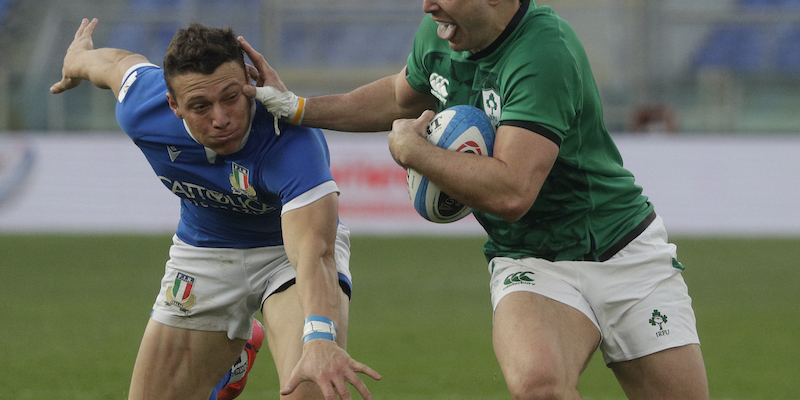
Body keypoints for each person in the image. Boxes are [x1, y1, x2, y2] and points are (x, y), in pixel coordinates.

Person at [242, 0, 710, 399]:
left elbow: (511, 192)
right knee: (538, 385)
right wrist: (299, 107)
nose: (427, 6)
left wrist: (414, 151)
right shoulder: (442, 33)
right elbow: (399, 96)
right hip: (528, 256)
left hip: (622, 250)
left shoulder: (544, 51)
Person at [50, 18, 381, 400]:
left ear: (250, 84)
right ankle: (233, 359)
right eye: (200, 106)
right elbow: (114, 63)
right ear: (172, 105)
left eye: (231, 97)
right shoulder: (144, 106)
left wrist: (321, 338)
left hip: (287, 256)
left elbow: (315, 252)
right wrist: (77, 59)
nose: (221, 118)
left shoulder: (290, 139)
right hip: (204, 252)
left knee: (309, 388)